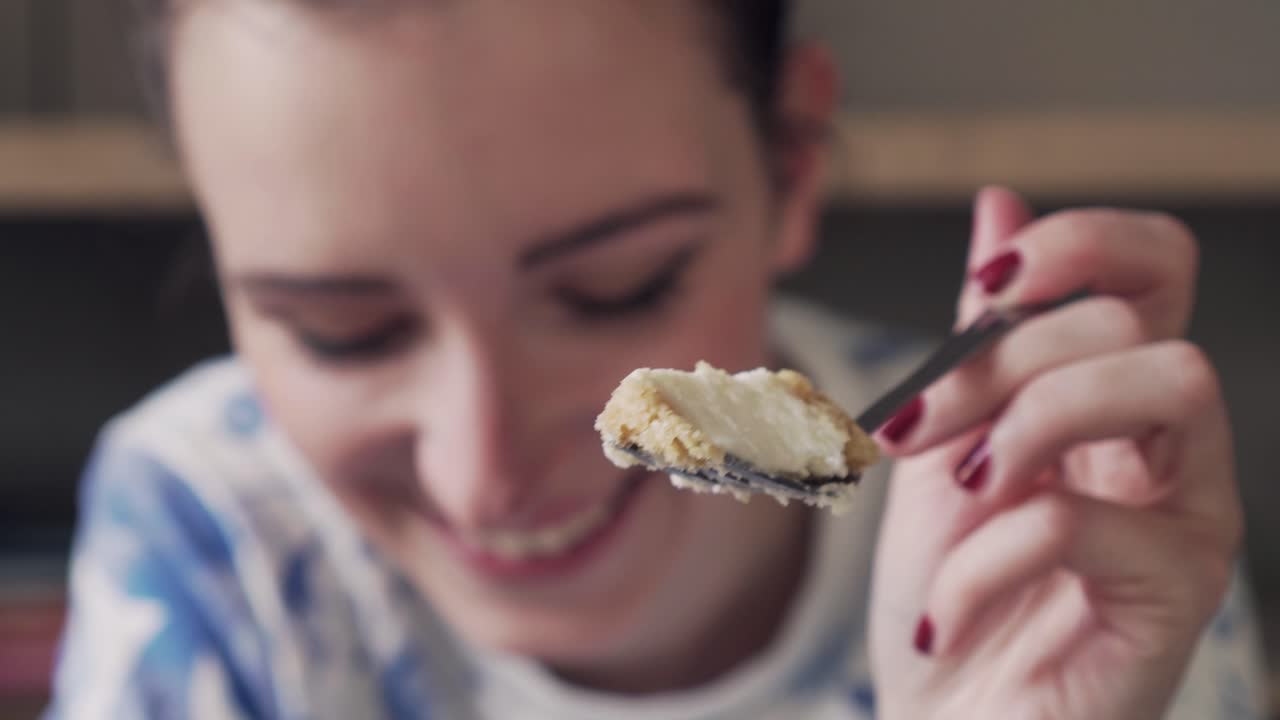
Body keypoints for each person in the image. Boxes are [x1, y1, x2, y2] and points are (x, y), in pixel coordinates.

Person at [46, 1, 1267, 718]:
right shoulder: (210, 527)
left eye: (612, 292)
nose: (485, 483)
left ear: (789, 159)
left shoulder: (1058, 520)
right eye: (341, 331)